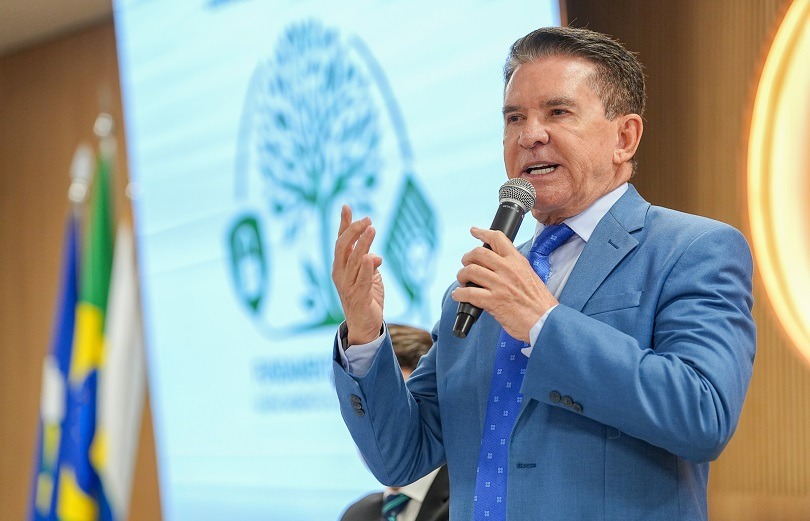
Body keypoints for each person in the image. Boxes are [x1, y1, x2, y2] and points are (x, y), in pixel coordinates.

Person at [331, 26, 755, 520]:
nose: (529, 135)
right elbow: (401, 457)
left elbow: (703, 415)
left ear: (625, 137)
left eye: (558, 112)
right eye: (514, 118)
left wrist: (542, 323)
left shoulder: (693, 250)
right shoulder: (479, 287)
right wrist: (365, 335)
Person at [339, 324, 450, 521]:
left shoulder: (472, 506)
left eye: (391, 412)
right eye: (364, 409)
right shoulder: (356, 515)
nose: (375, 424)